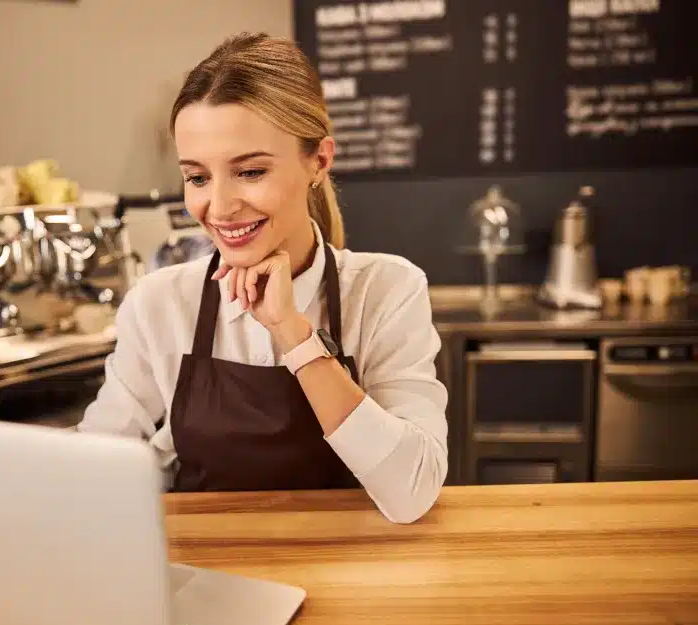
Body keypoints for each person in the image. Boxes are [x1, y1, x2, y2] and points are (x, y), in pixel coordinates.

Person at [78, 32, 448, 523]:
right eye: (198, 178)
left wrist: (295, 336)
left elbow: (411, 492)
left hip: (355, 577)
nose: (220, 207)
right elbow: (91, 470)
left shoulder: (387, 291)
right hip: (204, 574)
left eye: (250, 172)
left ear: (318, 161)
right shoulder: (160, 303)